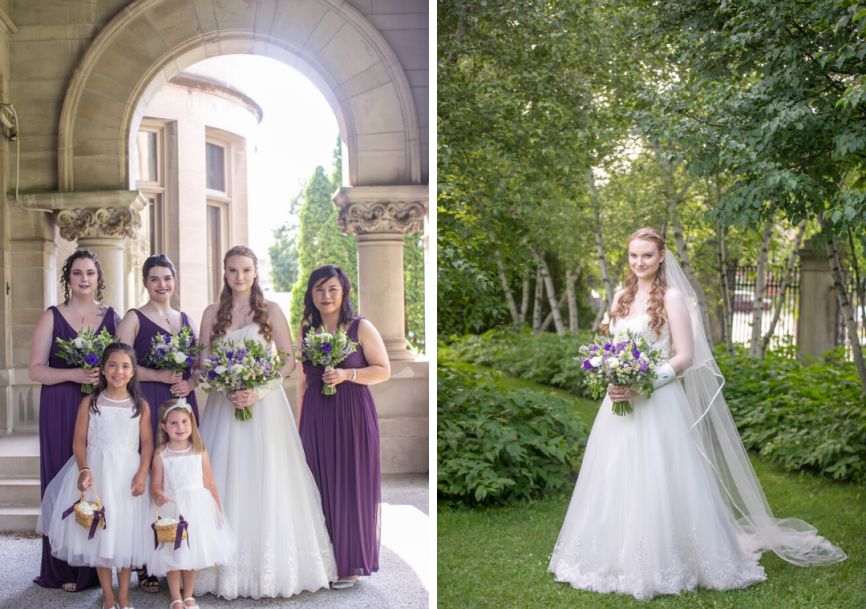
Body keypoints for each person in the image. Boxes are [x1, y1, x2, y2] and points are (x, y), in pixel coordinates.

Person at [549, 227, 846, 600]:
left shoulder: (672, 297)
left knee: (662, 476)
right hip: (619, 403)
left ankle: (675, 558)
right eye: (633, 256)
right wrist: (611, 376)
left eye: (647, 255)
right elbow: (611, 347)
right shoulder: (621, 296)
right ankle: (612, 556)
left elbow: (685, 357)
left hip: (659, 400)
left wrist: (642, 383)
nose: (639, 263)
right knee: (614, 474)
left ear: (661, 257)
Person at [195, 245, 337, 599]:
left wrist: (258, 391)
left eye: (245, 270)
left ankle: (272, 570)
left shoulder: (271, 310)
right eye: (232, 271)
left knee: (268, 477)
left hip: (266, 407)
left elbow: (288, 362)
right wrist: (225, 386)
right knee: (224, 478)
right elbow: (203, 360)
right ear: (224, 273)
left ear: (256, 271)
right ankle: (219, 569)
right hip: (223, 406)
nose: (239, 277)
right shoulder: (212, 312)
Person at [29, 249, 120, 593]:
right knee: (59, 478)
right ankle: (62, 567)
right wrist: (74, 372)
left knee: (96, 479)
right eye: (77, 273)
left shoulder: (113, 318)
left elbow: (122, 364)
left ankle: (94, 569)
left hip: (100, 407)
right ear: (68, 279)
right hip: (60, 404)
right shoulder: (52, 316)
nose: (84, 279)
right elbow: (35, 369)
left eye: (90, 273)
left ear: (99, 278)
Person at [37, 343, 153, 609]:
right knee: (101, 536)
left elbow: (147, 444)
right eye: (112, 365)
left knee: (124, 538)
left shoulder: (140, 405)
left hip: (127, 476)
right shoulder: (90, 402)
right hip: (97, 473)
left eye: (125, 366)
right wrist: (84, 468)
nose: (118, 371)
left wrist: (142, 472)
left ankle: (123, 597)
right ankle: (108, 597)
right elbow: (79, 441)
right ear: (102, 369)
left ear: (133, 372)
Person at [297, 265, 390, 588]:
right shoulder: (306, 329)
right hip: (316, 415)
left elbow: (383, 370)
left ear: (344, 292)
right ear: (311, 294)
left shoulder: (360, 327)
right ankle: (323, 558)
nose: (326, 296)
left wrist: (348, 374)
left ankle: (349, 563)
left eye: (332, 289)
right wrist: (298, 426)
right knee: (318, 485)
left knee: (350, 485)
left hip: (352, 414)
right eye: (319, 289)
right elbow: (302, 383)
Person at [117, 253, 201, 593]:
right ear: (145, 283)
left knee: (179, 475)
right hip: (149, 401)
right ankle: (145, 563)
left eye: (167, 278)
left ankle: (176, 557)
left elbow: (198, 365)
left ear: (175, 281)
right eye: (154, 279)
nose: (162, 284)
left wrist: (190, 383)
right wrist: (158, 374)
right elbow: (119, 363)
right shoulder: (133, 318)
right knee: (152, 473)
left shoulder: (185, 318)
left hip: (181, 403)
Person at [149, 397, 236, 609]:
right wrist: (158, 495)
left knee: (191, 554)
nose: (180, 427)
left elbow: (210, 483)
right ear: (164, 427)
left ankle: (188, 595)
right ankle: (175, 598)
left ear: (192, 423)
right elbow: (156, 484)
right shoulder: (161, 454)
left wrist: (217, 509)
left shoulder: (199, 451)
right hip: (173, 510)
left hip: (198, 510)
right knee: (172, 555)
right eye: (174, 423)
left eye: (185, 421)